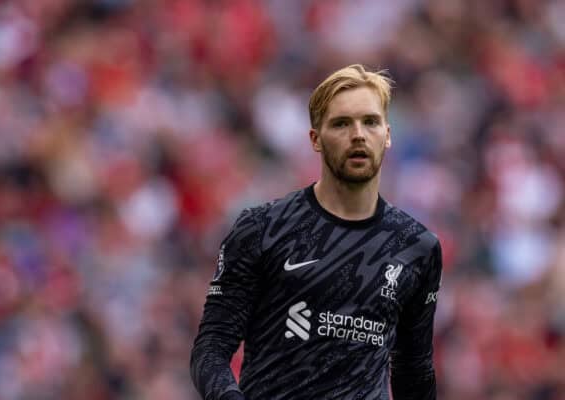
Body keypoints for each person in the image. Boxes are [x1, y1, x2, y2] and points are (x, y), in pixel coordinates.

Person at [190, 64, 443, 400]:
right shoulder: (263, 228)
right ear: (316, 139)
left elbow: (414, 369)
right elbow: (211, 348)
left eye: (370, 122)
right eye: (341, 123)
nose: (358, 134)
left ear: (388, 134)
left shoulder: (417, 247)